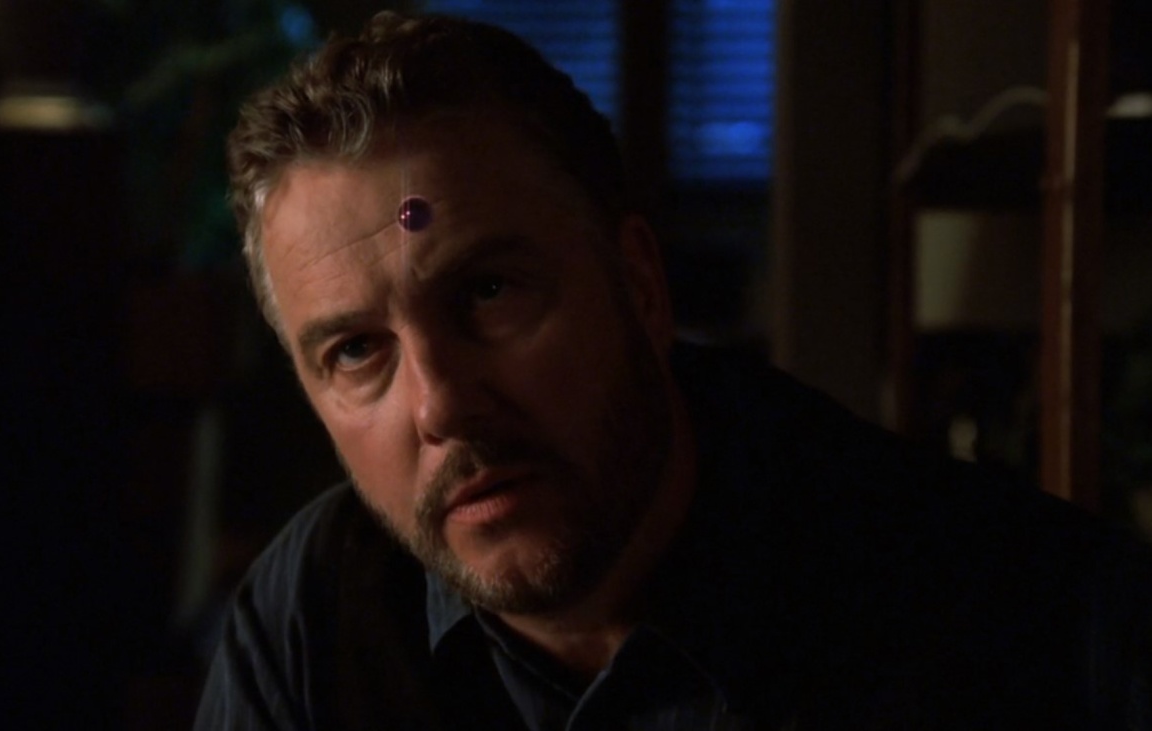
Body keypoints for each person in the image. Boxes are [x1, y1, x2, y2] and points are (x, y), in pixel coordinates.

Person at [196, 11, 1152, 729]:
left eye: (488, 293)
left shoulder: (1028, 621)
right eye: (356, 351)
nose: (440, 403)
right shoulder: (314, 622)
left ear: (643, 286)